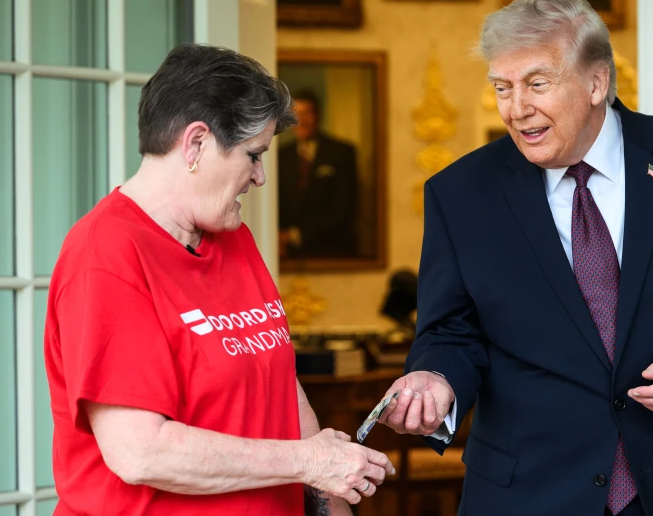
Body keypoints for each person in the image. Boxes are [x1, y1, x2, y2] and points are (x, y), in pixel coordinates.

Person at [379, 0, 653, 516]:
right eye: (502, 87)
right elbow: (449, 332)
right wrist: (435, 378)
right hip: (528, 495)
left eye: (537, 83)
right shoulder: (460, 193)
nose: (516, 108)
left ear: (597, 83)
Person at [43, 43, 393, 516]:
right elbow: (140, 451)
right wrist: (309, 462)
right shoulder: (105, 255)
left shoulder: (233, 238)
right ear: (196, 144)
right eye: (253, 155)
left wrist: (329, 495)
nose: (260, 177)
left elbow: (283, 388)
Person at [277, 90, 359, 259]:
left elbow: (344, 209)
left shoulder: (341, 152)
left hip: (332, 251)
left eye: (307, 113)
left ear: (318, 116)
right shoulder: (280, 156)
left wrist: (296, 235)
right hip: (288, 255)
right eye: (296, 114)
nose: (301, 120)